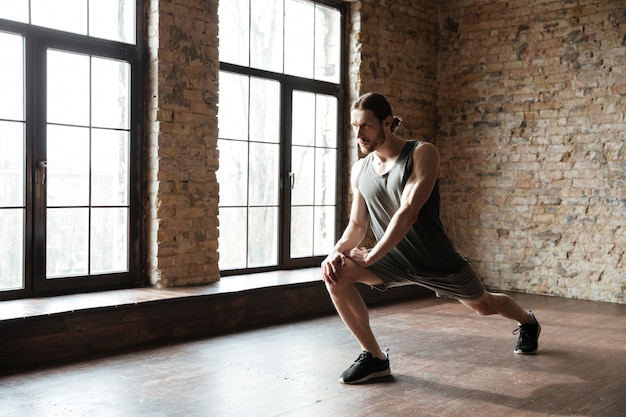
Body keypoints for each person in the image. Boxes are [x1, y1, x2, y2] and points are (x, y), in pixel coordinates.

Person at [321, 92, 541, 385]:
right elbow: (358, 224)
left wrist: (372, 255)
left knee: (484, 305)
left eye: (366, 126)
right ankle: (374, 358)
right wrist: (335, 251)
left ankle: (527, 322)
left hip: (436, 260)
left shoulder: (422, 153)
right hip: (393, 259)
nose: (358, 134)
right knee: (334, 274)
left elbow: (408, 212)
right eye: (354, 126)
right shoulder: (360, 169)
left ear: (387, 123)